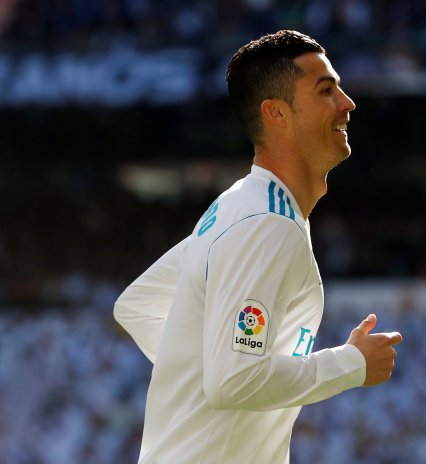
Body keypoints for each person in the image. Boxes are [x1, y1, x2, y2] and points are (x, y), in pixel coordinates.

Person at [114, 29, 403, 464]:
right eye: (327, 90)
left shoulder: (237, 206)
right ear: (277, 114)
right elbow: (234, 381)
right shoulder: (267, 223)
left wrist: (210, 360)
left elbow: (136, 306)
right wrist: (352, 364)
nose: (348, 103)